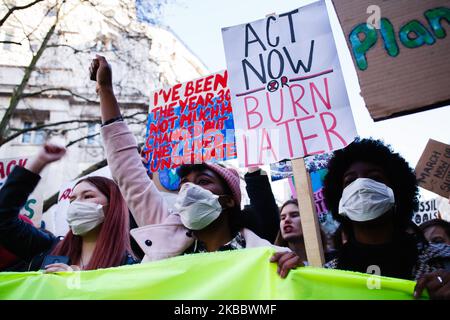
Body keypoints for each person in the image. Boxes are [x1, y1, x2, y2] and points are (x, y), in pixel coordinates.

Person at [91, 55, 301, 278]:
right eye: (184, 184)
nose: (189, 190)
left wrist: (296, 272)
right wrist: (105, 90)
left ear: (229, 199)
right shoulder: (165, 237)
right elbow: (127, 169)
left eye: (203, 181)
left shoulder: (269, 257)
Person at [322, 138, 450, 299]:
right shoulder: (327, 275)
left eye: (374, 177)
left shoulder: (443, 260)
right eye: (350, 181)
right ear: (339, 199)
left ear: (397, 189)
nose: (362, 186)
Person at [0, 143, 138, 272]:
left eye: (88, 196)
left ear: (113, 205)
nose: (77, 204)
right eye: (72, 200)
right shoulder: (47, 247)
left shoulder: (129, 266)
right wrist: (38, 162)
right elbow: (3, 219)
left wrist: (75, 284)